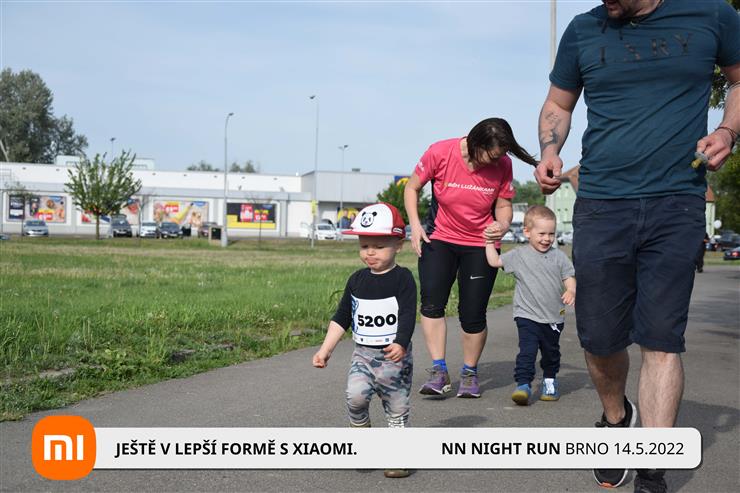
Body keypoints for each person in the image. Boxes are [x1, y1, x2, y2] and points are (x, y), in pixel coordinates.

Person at [534, 1, 739, 491]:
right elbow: (559, 103)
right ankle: (615, 418)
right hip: (602, 204)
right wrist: (549, 149)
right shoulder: (584, 28)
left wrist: (728, 130)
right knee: (600, 340)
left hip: (676, 201)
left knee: (661, 339)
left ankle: (652, 465)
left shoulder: (712, 15)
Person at [404, 117, 538, 398]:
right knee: (432, 304)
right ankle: (439, 370)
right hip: (440, 238)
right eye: (492, 156)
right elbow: (412, 187)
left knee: (473, 313)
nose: (496, 161)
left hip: (481, 244)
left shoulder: (503, 164)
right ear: (476, 144)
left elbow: (503, 205)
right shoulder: (440, 152)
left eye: (500, 156)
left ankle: (469, 372)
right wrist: (415, 225)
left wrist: (502, 225)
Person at [312, 203, 416, 479]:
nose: (370, 252)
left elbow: (408, 314)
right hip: (364, 355)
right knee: (355, 396)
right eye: (364, 245)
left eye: (379, 246)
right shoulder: (357, 280)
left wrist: (401, 342)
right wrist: (325, 350)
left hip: (394, 358)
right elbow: (342, 317)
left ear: (398, 245)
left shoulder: (403, 279)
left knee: (397, 408)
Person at [484, 205, 576, 405]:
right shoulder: (518, 255)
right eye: (541, 233)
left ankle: (549, 381)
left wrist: (571, 290)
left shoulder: (559, 256)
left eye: (551, 234)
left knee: (551, 352)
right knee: (527, 350)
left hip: (553, 316)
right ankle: (523, 385)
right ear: (527, 232)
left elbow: (569, 277)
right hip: (526, 314)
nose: (547, 238)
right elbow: (494, 262)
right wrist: (489, 242)